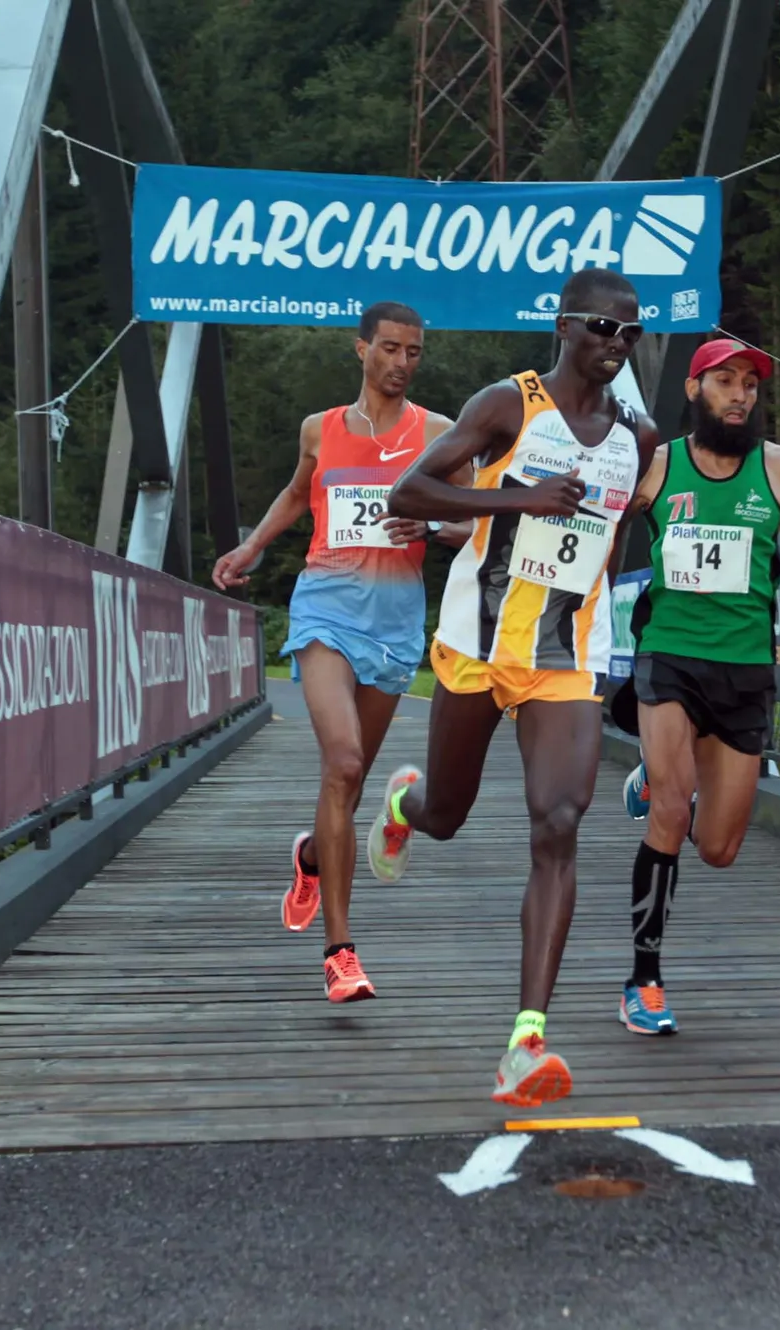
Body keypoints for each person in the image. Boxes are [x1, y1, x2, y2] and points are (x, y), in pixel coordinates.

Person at [368, 268, 659, 1107]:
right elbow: (411, 490)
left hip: (567, 655)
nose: (616, 346)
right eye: (603, 329)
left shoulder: (635, 440)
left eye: (631, 335)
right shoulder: (509, 404)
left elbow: (613, 533)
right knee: (447, 817)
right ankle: (403, 809)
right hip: (478, 645)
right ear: (565, 326)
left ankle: (525, 1043)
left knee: (560, 822)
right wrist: (516, 498)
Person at [212, 301, 469, 1004]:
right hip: (325, 607)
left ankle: (309, 856)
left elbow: (475, 523)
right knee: (345, 761)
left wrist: (436, 524)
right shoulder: (319, 429)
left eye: (413, 352)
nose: (401, 363)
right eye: (389, 349)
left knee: (349, 789)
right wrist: (253, 547)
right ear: (361, 350)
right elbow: (299, 494)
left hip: (394, 621)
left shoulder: (439, 433)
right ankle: (340, 950)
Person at [612, 336, 780, 1036]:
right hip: (670, 655)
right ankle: (643, 980)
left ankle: (659, 777)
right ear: (693, 391)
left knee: (718, 848)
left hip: (745, 669)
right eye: (725, 382)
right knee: (673, 822)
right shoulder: (656, 468)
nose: (740, 394)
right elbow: (595, 535)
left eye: (750, 384)